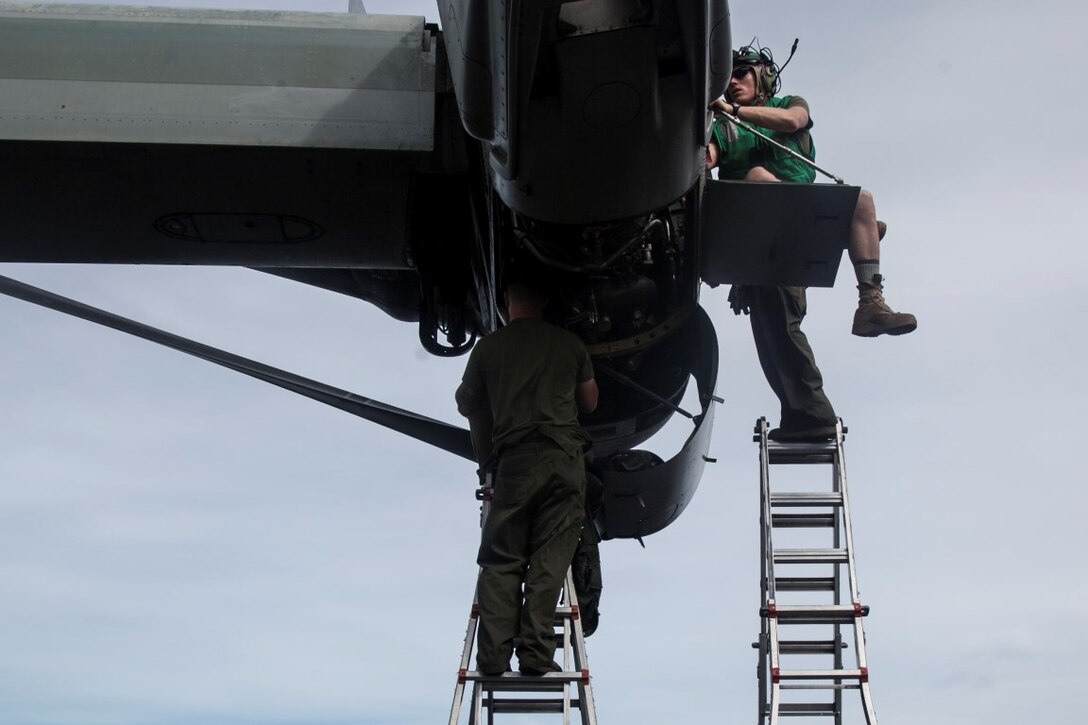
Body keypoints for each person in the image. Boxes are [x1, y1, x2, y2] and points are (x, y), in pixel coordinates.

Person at [705, 45, 914, 441]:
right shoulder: (718, 127)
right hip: (760, 240)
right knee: (777, 328)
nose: (732, 82)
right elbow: (708, 157)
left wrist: (731, 111)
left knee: (861, 200)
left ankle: (871, 302)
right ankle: (806, 416)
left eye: (741, 73)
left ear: (763, 76)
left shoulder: (786, 104)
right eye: (727, 77)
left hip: (798, 223)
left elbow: (792, 121)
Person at [455, 265, 599, 676]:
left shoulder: (488, 347)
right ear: (545, 302)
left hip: (515, 464)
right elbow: (589, 402)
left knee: (501, 561)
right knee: (550, 559)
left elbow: (466, 402)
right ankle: (536, 655)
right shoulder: (569, 344)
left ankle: (492, 658)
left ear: (506, 302)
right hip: (562, 461)